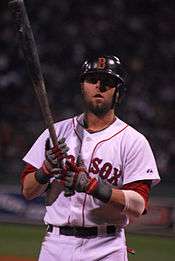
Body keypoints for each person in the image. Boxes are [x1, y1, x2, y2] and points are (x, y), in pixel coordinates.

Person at [21, 55, 160, 261]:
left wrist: (94, 187)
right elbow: (27, 190)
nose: (99, 86)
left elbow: (138, 205)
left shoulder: (133, 141)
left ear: (118, 93)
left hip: (106, 247)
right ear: (82, 87)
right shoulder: (56, 132)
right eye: (92, 79)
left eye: (108, 82)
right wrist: (45, 171)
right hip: (56, 245)